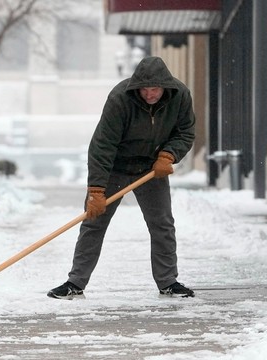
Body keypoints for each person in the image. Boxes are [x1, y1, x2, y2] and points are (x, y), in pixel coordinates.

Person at [48, 56, 196, 300]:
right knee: (93, 223)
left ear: (165, 86)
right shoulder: (120, 99)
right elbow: (102, 145)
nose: (150, 95)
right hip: (115, 166)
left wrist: (168, 155)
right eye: (145, 90)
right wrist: (96, 190)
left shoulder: (180, 96)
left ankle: (168, 281)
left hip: (151, 169)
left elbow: (186, 131)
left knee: (162, 225)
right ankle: (75, 282)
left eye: (155, 89)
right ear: (137, 86)